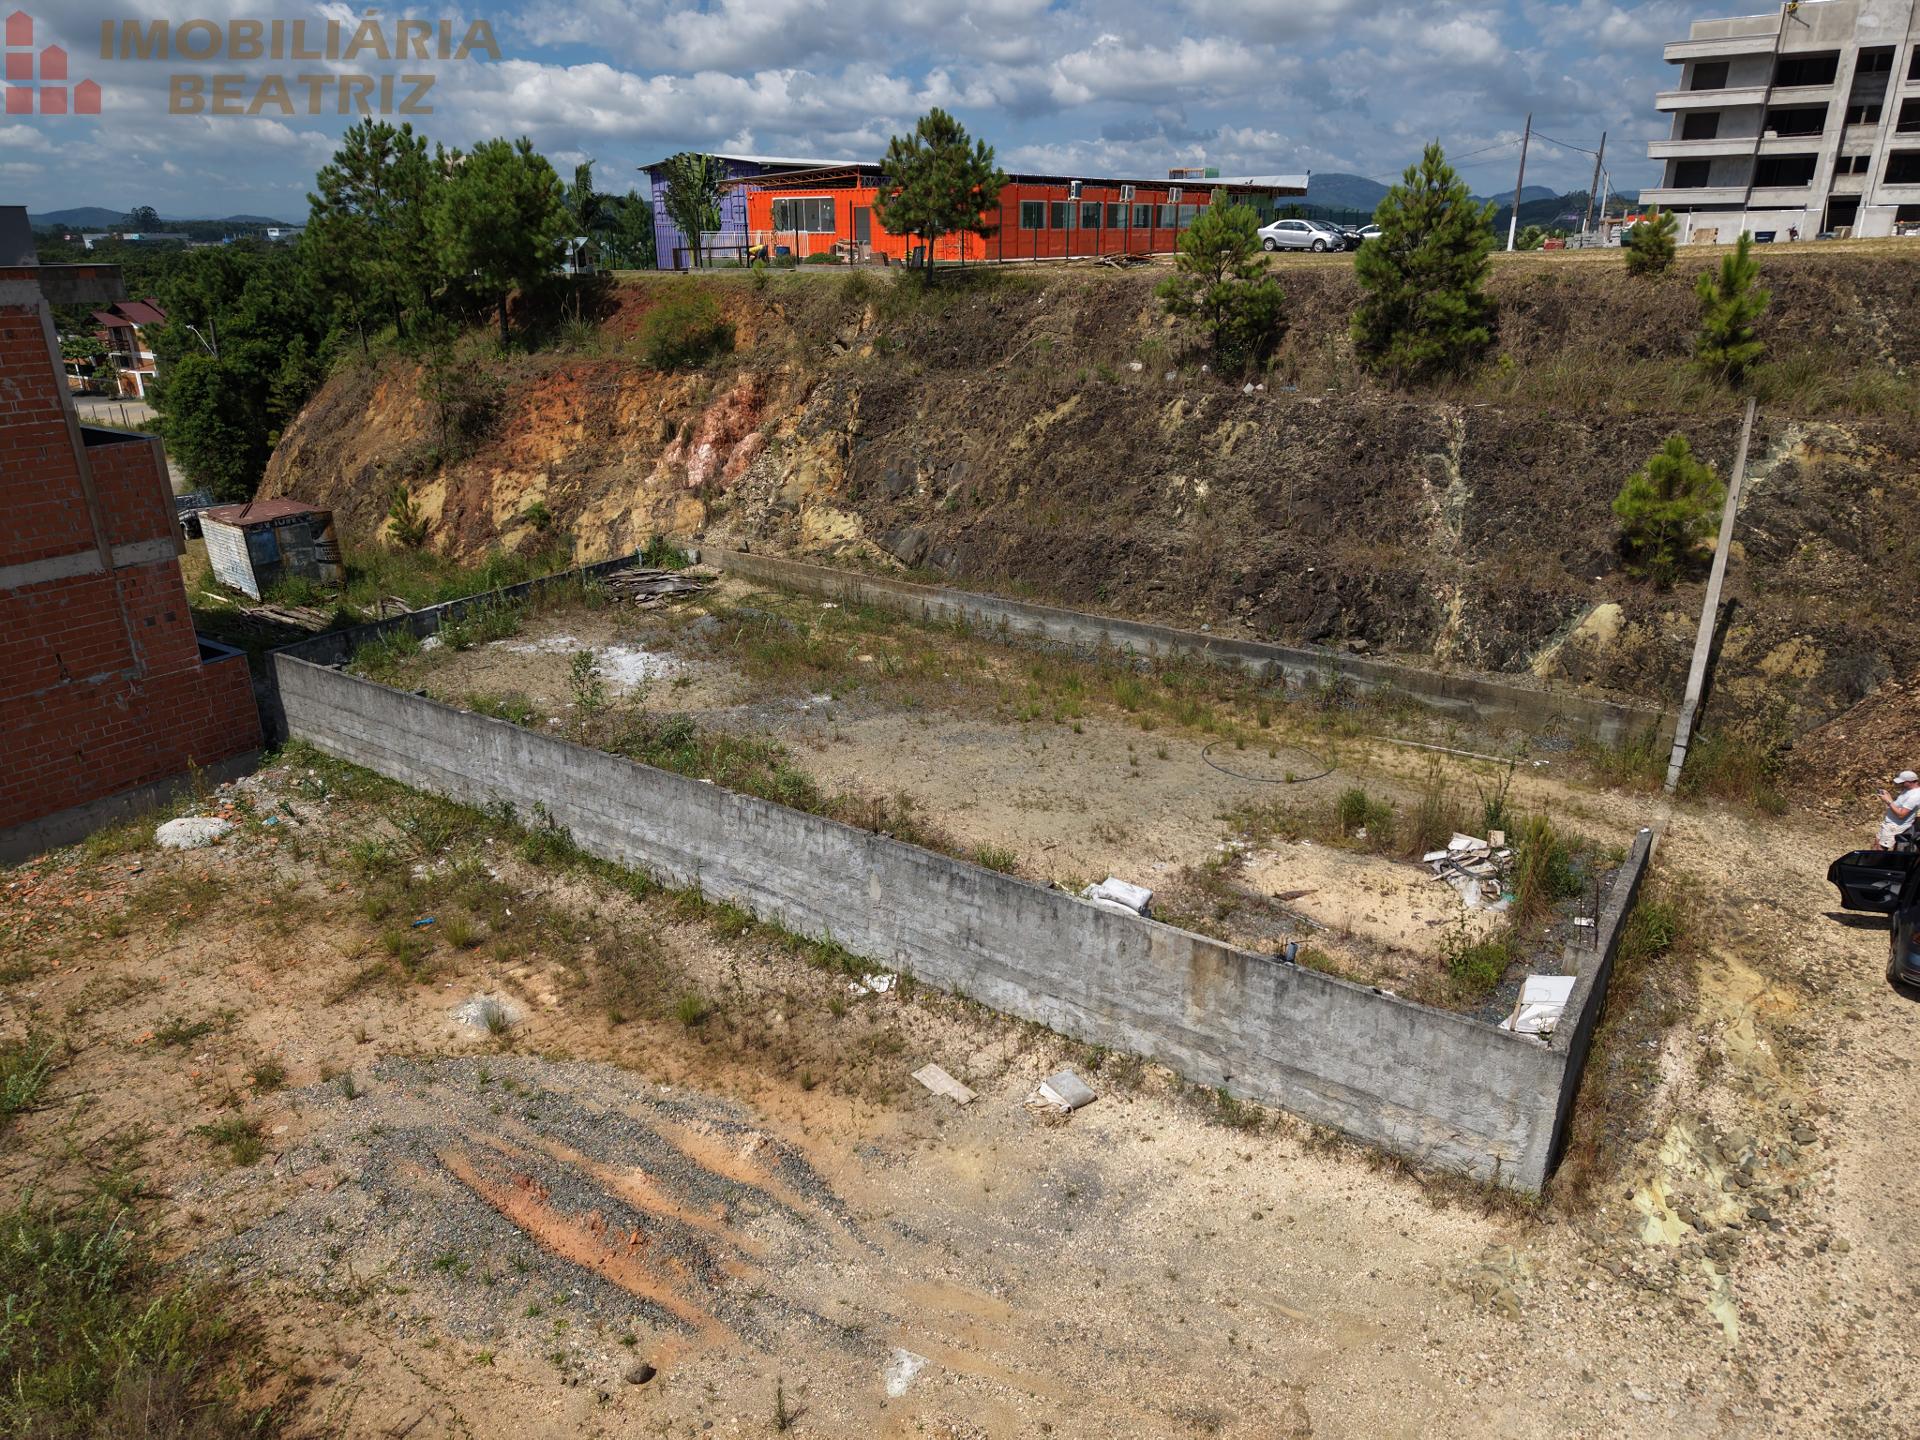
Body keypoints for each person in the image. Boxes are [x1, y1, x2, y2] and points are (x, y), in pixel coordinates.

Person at [1875, 769, 1920, 850]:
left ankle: (1879, 862)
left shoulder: (1915, 796)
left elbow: (1901, 814)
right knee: (1876, 845)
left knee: (1880, 850)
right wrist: (1888, 797)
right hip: (1889, 823)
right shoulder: (1908, 790)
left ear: (1911, 782)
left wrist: (1888, 801)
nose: (1900, 784)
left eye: (1903, 782)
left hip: (1895, 826)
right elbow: (1898, 805)